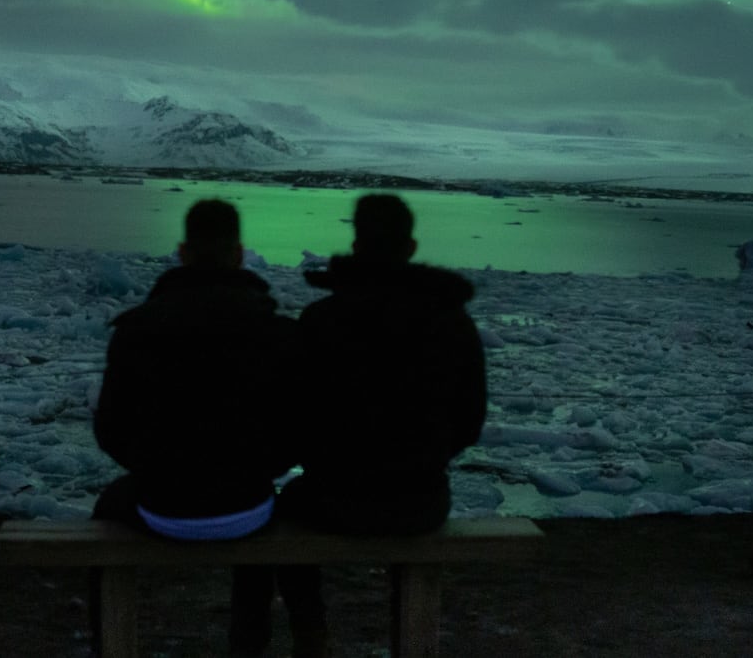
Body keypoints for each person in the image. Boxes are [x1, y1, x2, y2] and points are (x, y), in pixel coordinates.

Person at [277, 193, 488, 657]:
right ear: (410, 246)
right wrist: (424, 456)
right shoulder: (452, 322)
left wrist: (329, 461)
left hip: (330, 499)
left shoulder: (320, 319)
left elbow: (291, 417)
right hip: (421, 500)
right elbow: (470, 420)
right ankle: (408, 637)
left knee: (283, 507)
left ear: (357, 243)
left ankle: (310, 635)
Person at [90, 198, 296, 656]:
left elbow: (110, 429)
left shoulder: (137, 329)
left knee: (107, 508)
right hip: (248, 507)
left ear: (182, 252)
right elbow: (296, 432)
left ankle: (111, 638)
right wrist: (256, 465)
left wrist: (155, 466)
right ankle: (249, 645)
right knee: (269, 514)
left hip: (160, 506)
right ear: (239, 254)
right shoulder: (277, 332)